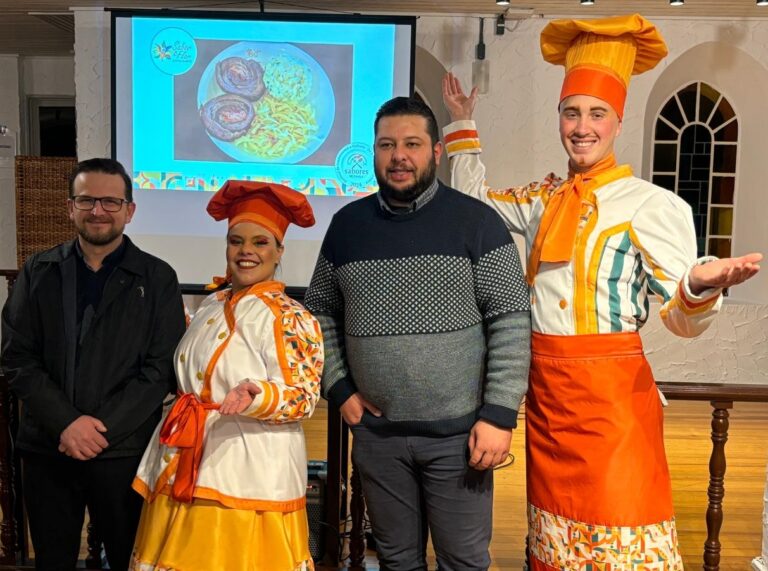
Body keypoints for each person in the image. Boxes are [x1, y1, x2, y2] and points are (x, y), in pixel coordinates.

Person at [442, 14, 762, 570]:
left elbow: (681, 319)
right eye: (571, 112)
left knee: (622, 536)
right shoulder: (543, 199)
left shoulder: (651, 205)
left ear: (617, 121)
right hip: (547, 398)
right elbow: (473, 207)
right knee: (555, 541)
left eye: (597, 113)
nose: (582, 126)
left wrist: (697, 284)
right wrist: (462, 126)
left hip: (614, 404)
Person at [305, 96, 531, 570]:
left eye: (412, 144)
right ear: (373, 152)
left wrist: (499, 415)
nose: (399, 156)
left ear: (436, 152)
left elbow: (510, 320)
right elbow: (320, 311)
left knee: (463, 562)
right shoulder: (347, 227)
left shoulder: (477, 222)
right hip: (378, 438)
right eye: (387, 145)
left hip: (461, 438)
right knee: (396, 561)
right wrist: (340, 387)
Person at [0, 158, 186, 571]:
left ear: (129, 210)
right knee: (53, 561)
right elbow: (17, 356)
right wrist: (67, 424)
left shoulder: (157, 278)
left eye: (110, 201)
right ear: (70, 207)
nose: (98, 210)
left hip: (123, 451)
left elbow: (160, 369)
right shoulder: (38, 271)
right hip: (49, 446)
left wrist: (99, 431)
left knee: (127, 559)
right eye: (86, 200)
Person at [130, 181, 324, 571]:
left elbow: (304, 397)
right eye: (236, 241)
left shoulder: (291, 318)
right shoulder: (210, 305)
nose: (246, 251)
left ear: (279, 250)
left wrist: (257, 395)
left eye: (260, 242)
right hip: (184, 456)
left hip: (249, 472)